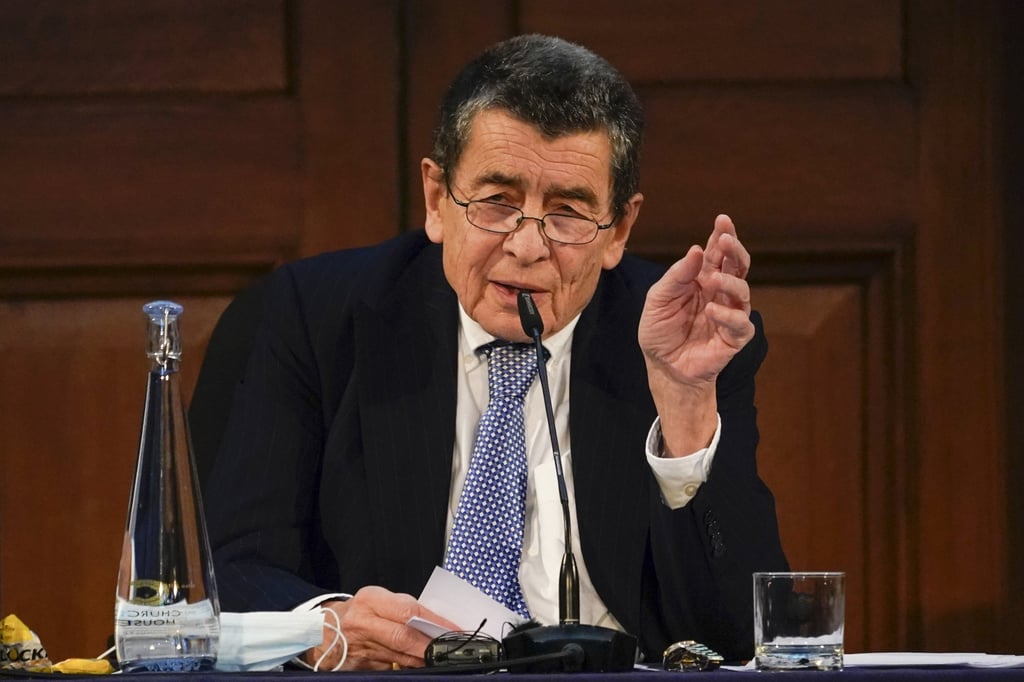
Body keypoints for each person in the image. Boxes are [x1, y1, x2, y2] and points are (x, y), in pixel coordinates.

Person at [199, 33, 788, 670]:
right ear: (436, 199)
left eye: (566, 212)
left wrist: (684, 410)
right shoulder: (309, 319)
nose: (527, 246)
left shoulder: (680, 336)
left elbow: (744, 634)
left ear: (617, 230)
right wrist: (328, 628)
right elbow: (226, 569)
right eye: (498, 203)